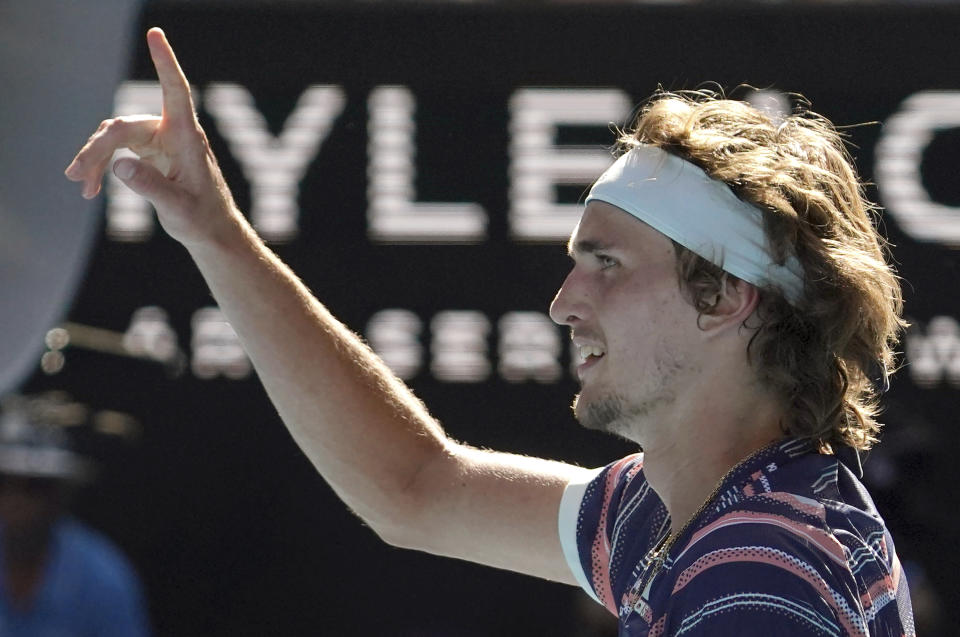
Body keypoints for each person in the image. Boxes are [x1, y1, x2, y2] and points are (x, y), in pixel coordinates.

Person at [65, 28, 915, 635]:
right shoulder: (673, 514)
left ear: (725, 296)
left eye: (608, 264)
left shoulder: (758, 579)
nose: (564, 301)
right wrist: (215, 233)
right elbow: (415, 485)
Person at [0, 395, 151, 637]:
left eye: (34, 487)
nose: (16, 500)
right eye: (3, 484)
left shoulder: (103, 579)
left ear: (59, 496)